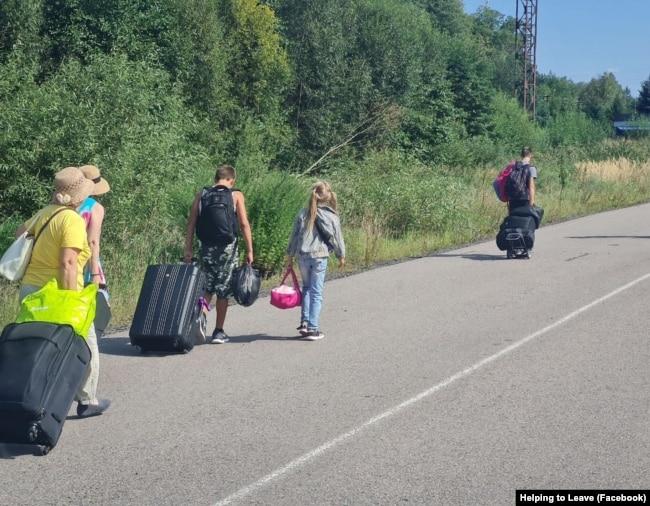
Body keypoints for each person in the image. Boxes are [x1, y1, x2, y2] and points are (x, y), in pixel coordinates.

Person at [16, 166, 110, 418]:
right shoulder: (72, 220)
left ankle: (29, 397)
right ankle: (87, 399)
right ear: (82, 194)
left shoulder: (44, 213)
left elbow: (19, 234)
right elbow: (68, 263)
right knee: (86, 343)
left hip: (31, 290)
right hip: (58, 293)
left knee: (36, 347)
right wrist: (71, 301)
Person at [184, 165, 254, 344]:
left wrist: (188, 249)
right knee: (223, 290)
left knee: (207, 288)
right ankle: (218, 331)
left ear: (216, 178)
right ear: (232, 180)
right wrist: (250, 250)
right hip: (227, 250)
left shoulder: (202, 195)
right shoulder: (235, 195)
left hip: (206, 247)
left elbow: (191, 223)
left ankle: (201, 316)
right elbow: (244, 224)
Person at [286, 181, 346, 341]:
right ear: (328, 196)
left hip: (303, 256)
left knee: (306, 288)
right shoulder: (332, 215)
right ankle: (313, 328)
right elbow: (337, 238)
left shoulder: (302, 213)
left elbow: (294, 236)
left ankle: (305, 323)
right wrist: (341, 255)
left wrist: (290, 255)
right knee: (317, 292)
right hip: (320, 256)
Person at [78, 165, 110, 287]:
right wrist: (95, 274)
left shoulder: (64, 205)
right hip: (84, 261)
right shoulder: (94, 208)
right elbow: (92, 242)